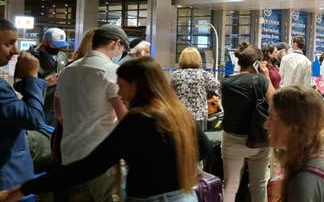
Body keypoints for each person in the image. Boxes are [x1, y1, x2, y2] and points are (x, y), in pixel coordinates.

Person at [0, 57, 212, 202]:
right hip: (183, 197)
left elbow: (91, 166)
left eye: (121, 86)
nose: (119, 93)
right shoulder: (177, 113)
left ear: (136, 85)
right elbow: (204, 148)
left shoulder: (138, 119)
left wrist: (25, 188)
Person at [52, 24, 129, 201]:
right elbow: (124, 116)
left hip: (70, 156)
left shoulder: (67, 71)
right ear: (115, 44)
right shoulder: (111, 71)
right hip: (102, 159)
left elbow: (58, 112)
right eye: (122, 49)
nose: (120, 54)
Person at [221, 42, 275, 202]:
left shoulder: (226, 82)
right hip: (259, 139)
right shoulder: (261, 80)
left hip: (232, 138)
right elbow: (276, 102)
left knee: (230, 185)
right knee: (258, 184)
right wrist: (266, 77)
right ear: (256, 63)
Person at [0, 19, 48, 190]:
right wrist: (32, 77)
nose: (15, 51)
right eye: (8, 44)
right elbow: (34, 119)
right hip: (7, 177)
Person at [27, 27, 69, 127]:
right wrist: (45, 82)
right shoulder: (29, 57)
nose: (58, 49)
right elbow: (19, 85)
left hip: (58, 107)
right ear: (45, 42)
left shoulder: (62, 56)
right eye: (56, 45)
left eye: (61, 46)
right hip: (39, 107)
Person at [171, 47, 220, 130]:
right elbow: (216, 85)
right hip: (199, 115)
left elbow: (170, 92)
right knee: (198, 141)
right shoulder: (204, 74)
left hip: (181, 115)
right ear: (198, 59)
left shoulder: (176, 75)